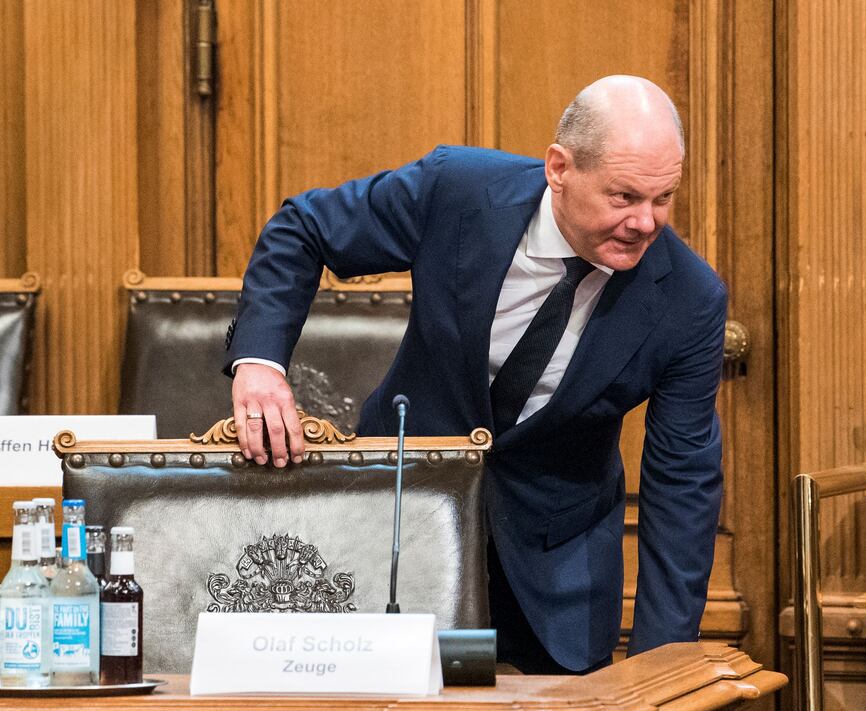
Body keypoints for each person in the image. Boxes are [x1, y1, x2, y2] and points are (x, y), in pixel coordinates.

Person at [225, 75, 727, 674]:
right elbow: (304, 229)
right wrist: (259, 364)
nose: (646, 223)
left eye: (663, 198)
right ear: (559, 168)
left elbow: (682, 484)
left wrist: (660, 666)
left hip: (557, 570)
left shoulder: (689, 300)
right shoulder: (456, 191)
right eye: (624, 197)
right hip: (396, 525)